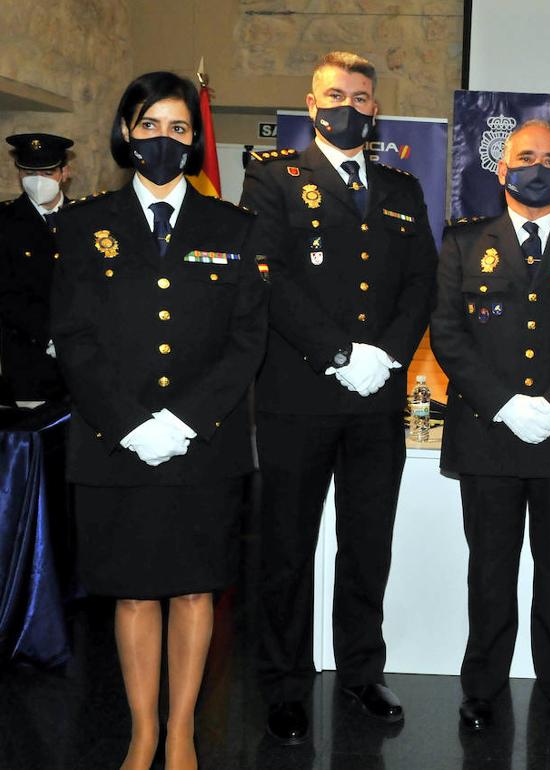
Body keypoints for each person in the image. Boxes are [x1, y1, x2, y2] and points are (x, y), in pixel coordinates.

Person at [49, 72, 268, 770]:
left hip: (203, 444)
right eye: (150, 126)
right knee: (137, 592)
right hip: (116, 444)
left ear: (194, 139)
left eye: (178, 128)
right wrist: (132, 424)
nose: (163, 140)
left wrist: (187, 421)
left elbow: (247, 339)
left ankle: (181, 733)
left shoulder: (233, 227)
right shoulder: (84, 225)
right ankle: (143, 731)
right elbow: (74, 337)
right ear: (125, 134)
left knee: (196, 587)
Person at [240, 51, 438, 744]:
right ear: (310, 100)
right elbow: (267, 277)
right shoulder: (273, 180)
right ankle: (285, 682)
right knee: (288, 548)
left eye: (360, 97)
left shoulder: (400, 188)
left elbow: (422, 283)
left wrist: (384, 357)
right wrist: (338, 353)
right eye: (334, 94)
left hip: (376, 400)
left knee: (365, 545)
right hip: (298, 395)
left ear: (374, 109)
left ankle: (361, 671)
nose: (347, 107)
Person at [430, 119, 550, 733]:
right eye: (525, 157)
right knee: (489, 570)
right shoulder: (464, 242)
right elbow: (447, 333)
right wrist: (504, 404)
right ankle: (483, 687)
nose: (536, 168)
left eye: (549, 160)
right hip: (488, 436)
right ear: (501, 169)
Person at [0, 132, 74, 403]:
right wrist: (52, 335)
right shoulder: (5, 222)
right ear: (19, 172)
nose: (38, 180)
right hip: (30, 367)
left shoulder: (86, 220)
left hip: (86, 364)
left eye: (47, 171)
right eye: (30, 172)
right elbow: (6, 294)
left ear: (64, 172)